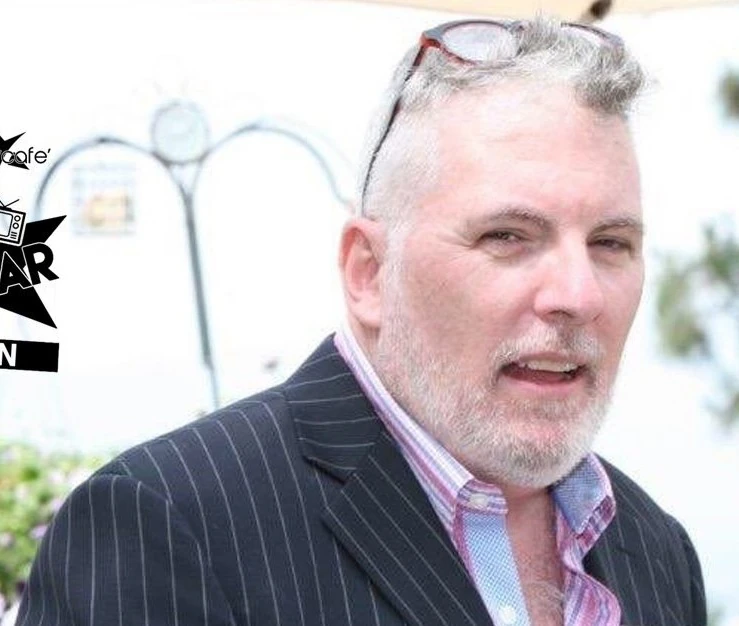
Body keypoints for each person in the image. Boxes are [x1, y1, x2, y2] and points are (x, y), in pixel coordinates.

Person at [18, 15, 706, 626]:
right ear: (369, 273)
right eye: (507, 237)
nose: (577, 295)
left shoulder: (655, 550)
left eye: (610, 243)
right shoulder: (167, 524)